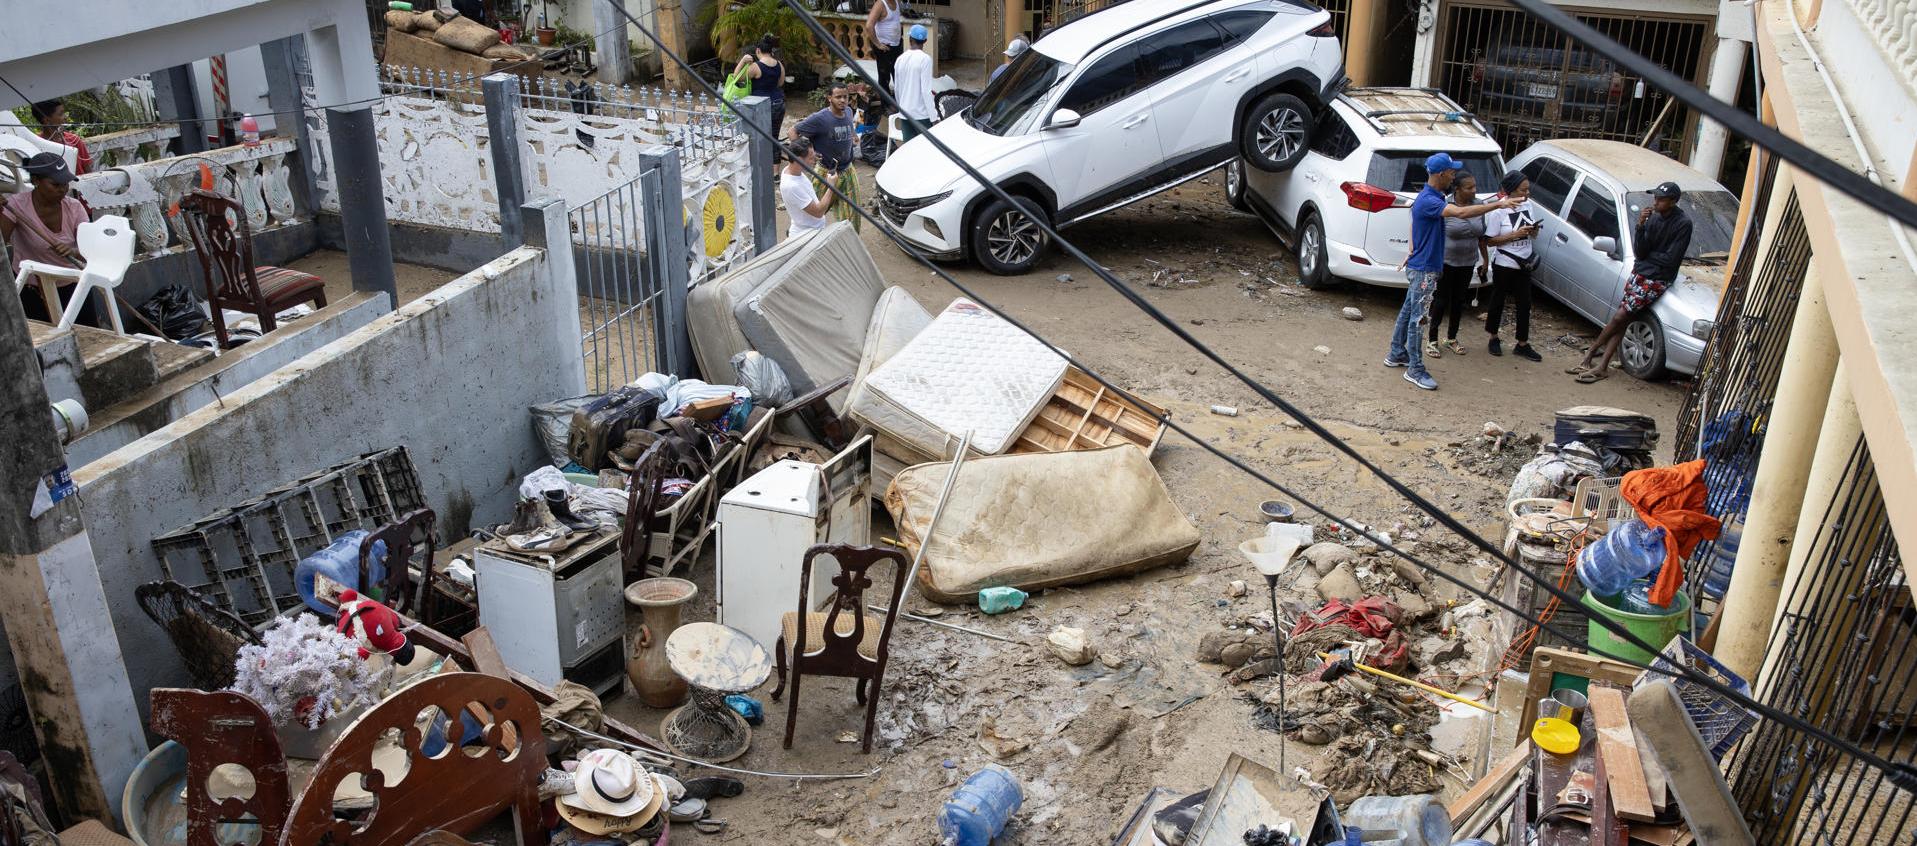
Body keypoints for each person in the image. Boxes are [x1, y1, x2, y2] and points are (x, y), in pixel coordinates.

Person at [1387, 153, 1518, 391]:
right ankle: (1415, 368)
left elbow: (1414, 222)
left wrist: (1412, 248)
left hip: (1423, 265)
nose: (1454, 175)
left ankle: (1396, 352)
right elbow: (1460, 213)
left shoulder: (1432, 196)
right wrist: (1498, 204)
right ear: (1441, 174)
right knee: (1419, 318)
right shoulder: (1430, 200)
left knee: (1409, 310)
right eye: (1451, 171)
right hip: (1424, 268)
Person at [1567, 181, 1692, 382]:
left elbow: (1671, 259)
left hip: (1657, 278)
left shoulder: (1683, 224)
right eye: (1656, 197)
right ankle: (1603, 365)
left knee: (1620, 316)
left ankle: (1590, 353)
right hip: (1641, 272)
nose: (1656, 202)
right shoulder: (1652, 218)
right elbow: (1640, 251)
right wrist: (1641, 226)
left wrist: (1649, 257)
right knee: (1624, 319)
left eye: (1661, 199)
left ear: (1673, 202)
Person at [1, 152, 97, 325]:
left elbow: (92, 251)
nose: (62, 189)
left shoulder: (74, 208)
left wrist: (74, 251)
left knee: (88, 334)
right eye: (55, 184)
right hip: (32, 288)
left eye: (65, 184)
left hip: (72, 284)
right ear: (36, 181)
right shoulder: (16, 205)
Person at [1483, 171, 1544, 361]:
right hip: (1505, 262)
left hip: (1524, 261)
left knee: (1524, 304)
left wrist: (1533, 231)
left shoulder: (1528, 205)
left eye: (1528, 189)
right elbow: (1490, 241)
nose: (1527, 193)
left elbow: (1532, 235)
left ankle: (1522, 343)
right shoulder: (1498, 211)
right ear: (1511, 190)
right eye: (1523, 190)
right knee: (1498, 300)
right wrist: (1514, 235)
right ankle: (1493, 337)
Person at [1427, 171, 1488, 359]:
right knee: (1440, 300)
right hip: (1446, 262)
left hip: (1468, 261)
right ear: (1457, 189)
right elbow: (1434, 235)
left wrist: (1485, 259)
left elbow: (1481, 237)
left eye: (1475, 186)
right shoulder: (1445, 205)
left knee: (1459, 300)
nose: (1474, 191)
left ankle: (1451, 338)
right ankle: (1432, 339)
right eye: (1469, 187)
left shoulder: (1479, 205)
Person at [780, 137, 837, 239]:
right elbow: (819, 212)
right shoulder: (791, 186)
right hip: (806, 236)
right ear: (798, 159)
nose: (814, 160)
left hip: (812, 231)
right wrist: (831, 187)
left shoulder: (792, 171)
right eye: (811, 158)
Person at [732, 34, 786, 141]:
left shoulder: (756, 67)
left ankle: (765, 157)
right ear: (771, 51)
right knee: (774, 138)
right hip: (778, 102)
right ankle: (775, 157)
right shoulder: (779, 64)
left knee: (762, 139)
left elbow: (736, 78)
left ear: (757, 50)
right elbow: (780, 83)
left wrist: (742, 61)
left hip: (762, 106)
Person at [892, 24, 935, 143]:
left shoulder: (900, 59)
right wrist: (933, 117)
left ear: (910, 39)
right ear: (925, 41)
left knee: (909, 150)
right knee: (927, 149)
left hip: (905, 113)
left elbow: (897, 89)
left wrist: (902, 107)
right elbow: (926, 91)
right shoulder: (925, 59)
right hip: (921, 115)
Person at [30, 99, 92, 176]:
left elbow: (88, 171)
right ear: (46, 120)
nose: (65, 117)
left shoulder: (74, 140)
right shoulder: (36, 143)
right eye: (60, 114)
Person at [864, 0, 904, 97]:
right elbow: (869, 26)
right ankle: (886, 105)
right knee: (884, 78)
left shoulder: (897, 2)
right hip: (884, 48)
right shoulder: (880, 4)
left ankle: (899, 102)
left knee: (898, 75)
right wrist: (878, 44)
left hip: (896, 45)